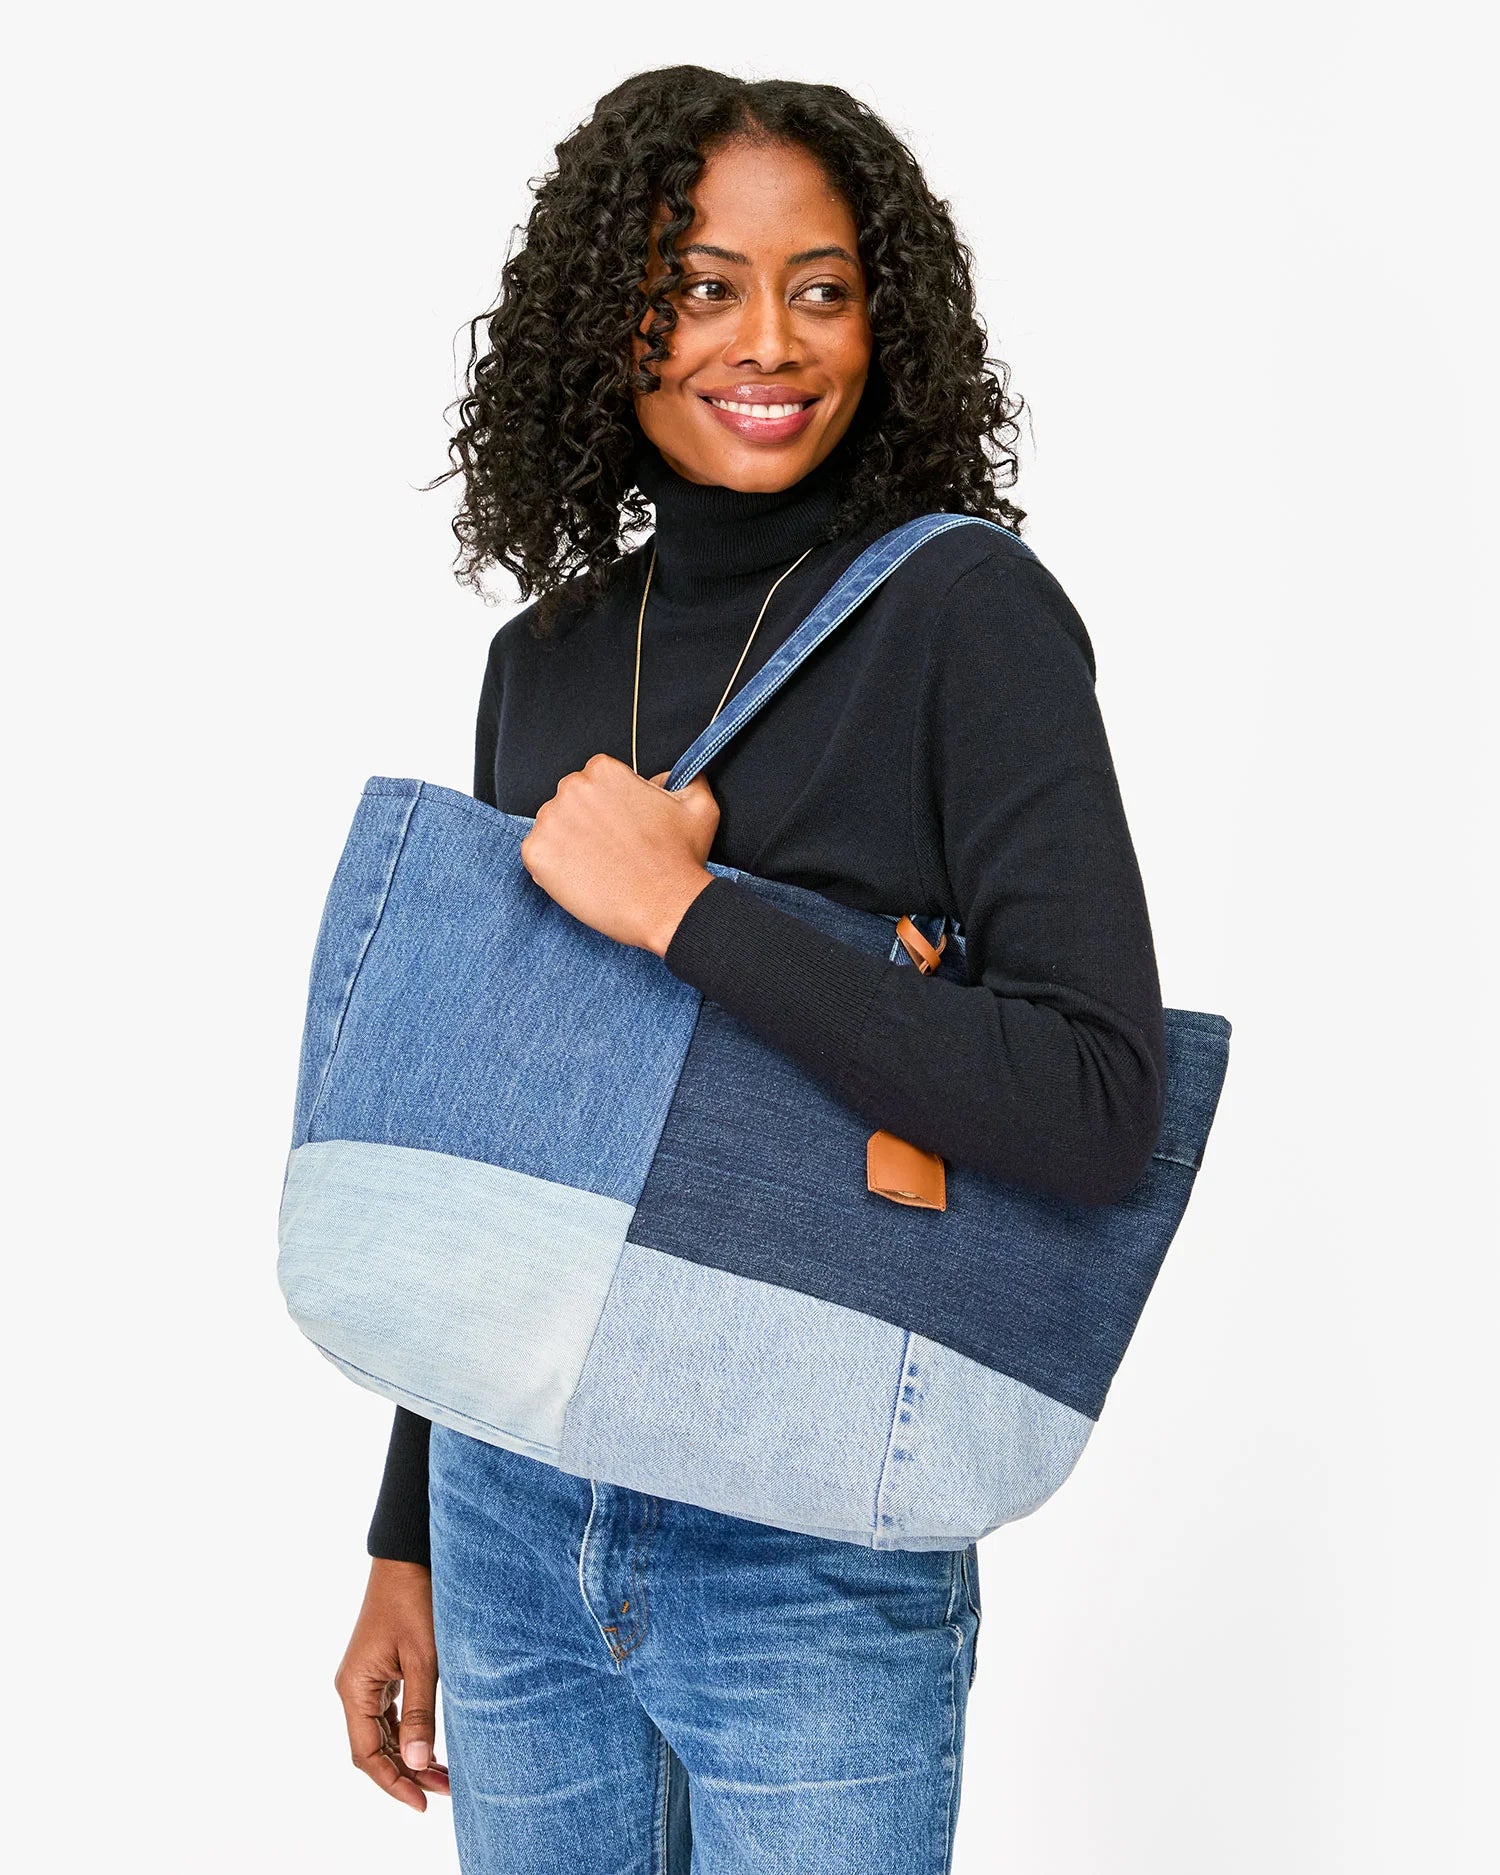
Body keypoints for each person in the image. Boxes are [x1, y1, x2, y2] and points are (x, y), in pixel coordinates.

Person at [332, 65, 1167, 1874]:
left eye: (824, 284)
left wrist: (693, 915)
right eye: (702, 284)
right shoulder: (549, 658)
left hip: (806, 1533)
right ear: (608, 315)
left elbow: (1099, 1107)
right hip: (507, 1511)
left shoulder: (964, 615)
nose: (768, 340)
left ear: (890, 315)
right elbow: (497, 1133)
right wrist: (404, 1536)